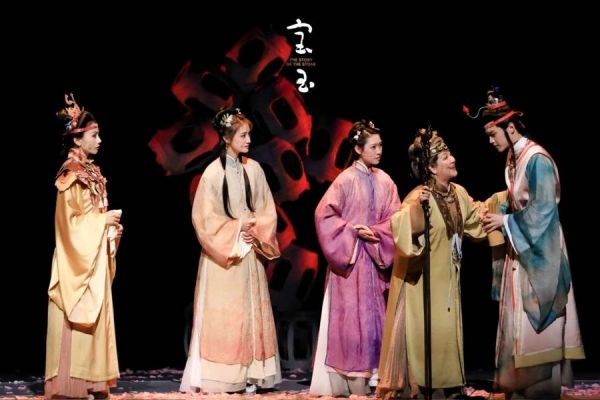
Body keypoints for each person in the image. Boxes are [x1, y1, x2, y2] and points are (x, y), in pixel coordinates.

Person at [472, 88, 585, 399]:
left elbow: (544, 209)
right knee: (516, 318)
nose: (490, 141)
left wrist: (506, 222)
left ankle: (540, 389)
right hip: (521, 247)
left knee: (536, 323)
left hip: (540, 250)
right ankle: (519, 387)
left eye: (492, 134)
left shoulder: (537, 159)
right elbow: (516, 199)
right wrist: (499, 210)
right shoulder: (513, 158)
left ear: (510, 128)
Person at [376, 129, 486, 400]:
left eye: (450, 154)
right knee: (426, 330)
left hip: (447, 279)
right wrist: (417, 211)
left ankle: (450, 384)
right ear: (432, 168)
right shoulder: (419, 198)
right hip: (422, 282)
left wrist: (506, 205)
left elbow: (476, 219)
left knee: (447, 329)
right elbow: (400, 225)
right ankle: (425, 386)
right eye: (445, 157)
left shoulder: (458, 193)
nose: (453, 159)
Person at [180, 107, 281, 394]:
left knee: (250, 314)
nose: (249, 140)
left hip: (250, 251)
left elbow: (266, 208)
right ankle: (224, 376)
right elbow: (204, 220)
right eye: (243, 135)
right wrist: (237, 229)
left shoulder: (254, 169)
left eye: (249, 134)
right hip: (224, 255)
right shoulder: (213, 173)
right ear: (227, 138)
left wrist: (255, 229)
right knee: (227, 316)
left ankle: (252, 373)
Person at [310, 120, 401, 397]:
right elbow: (324, 215)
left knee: (377, 320)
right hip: (350, 260)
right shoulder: (345, 180)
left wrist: (378, 233)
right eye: (373, 146)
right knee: (351, 321)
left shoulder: (385, 180)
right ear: (358, 149)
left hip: (375, 258)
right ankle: (352, 381)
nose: (379, 151)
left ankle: (378, 375)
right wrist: (352, 231)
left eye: (380, 145)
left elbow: (396, 218)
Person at [45, 93, 123, 399]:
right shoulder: (70, 174)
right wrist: (101, 222)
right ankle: (73, 383)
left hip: (93, 255)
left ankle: (93, 381)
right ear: (77, 140)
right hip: (76, 256)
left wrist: (110, 228)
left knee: (97, 313)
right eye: (94, 135)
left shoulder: (92, 172)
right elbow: (68, 225)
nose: (100, 140)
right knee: (77, 311)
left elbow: (92, 213)